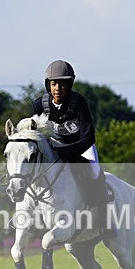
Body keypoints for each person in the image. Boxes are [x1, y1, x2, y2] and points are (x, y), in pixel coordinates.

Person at [33, 59, 111, 235]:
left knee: (95, 172)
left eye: (62, 84)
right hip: (54, 149)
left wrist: (69, 151)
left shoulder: (78, 103)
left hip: (80, 146)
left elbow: (89, 137)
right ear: (48, 85)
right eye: (54, 84)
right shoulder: (40, 105)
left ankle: (106, 222)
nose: (58, 89)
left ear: (69, 85)